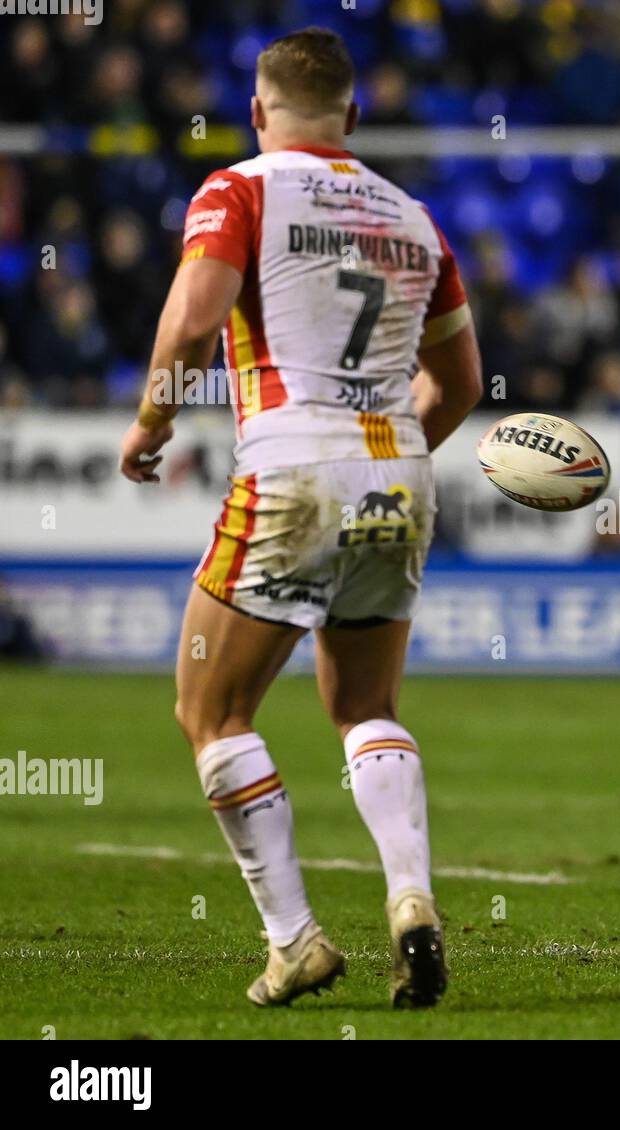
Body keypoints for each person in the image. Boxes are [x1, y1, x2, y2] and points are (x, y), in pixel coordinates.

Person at [118, 27, 482, 1005]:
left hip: (291, 461)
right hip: (398, 467)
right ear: (353, 117)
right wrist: (390, 461)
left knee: (210, 707)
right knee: (366, 707)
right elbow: (462, 380)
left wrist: (153, 416)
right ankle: (410, 898)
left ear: (256, 112)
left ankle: (296, 939)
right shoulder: (413, 216)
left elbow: (195, 317)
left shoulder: (239, 188)